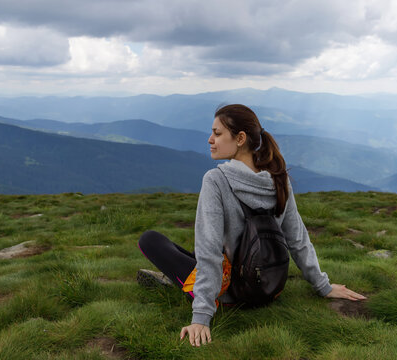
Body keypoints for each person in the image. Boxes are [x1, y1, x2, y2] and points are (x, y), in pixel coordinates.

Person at [137, 104, 366, 347]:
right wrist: (323, 286)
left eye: (217, 133)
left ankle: (199, 290)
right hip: (269, 288)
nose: (210, 139)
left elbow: (209, 252)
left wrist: (201, 318)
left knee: (150, 240)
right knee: (198, 254)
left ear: (240, 138)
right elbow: (298, 240)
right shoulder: (279, 178)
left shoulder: (216, 180)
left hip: (231, 294)